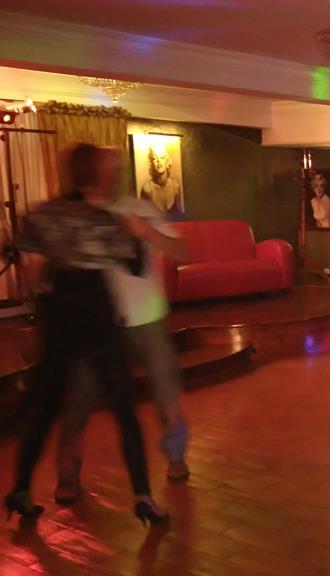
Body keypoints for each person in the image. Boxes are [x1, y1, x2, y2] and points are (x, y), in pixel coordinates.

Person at [5, 144, 168, 526]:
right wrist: (135, 231)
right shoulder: (105, 220)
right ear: (97, 173)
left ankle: (21, 490)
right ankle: (143, 496)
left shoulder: (46, 214)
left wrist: (47, 283)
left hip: (61, 316)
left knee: (45, 407)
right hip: (98, 317)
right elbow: (136, 265)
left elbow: (29, 266)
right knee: (124, 410)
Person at [53, 165, 192, 506]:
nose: (107, 177)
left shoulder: (140, 209)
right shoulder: (80, 214)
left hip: (148, 320)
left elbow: (182, 251)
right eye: (101, 170)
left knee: (166, 393)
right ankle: (68, 473)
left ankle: (176, 457)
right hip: (100, 326)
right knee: (80, 399)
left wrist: (145, 231)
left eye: (112, 171)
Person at [140, 143, 183, 214]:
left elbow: (180, 214)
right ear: (151, 163)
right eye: (154, 158)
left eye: (162, 157)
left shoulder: (175, 186)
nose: (158, 161)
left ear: (168, 161)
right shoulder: (147, 189)